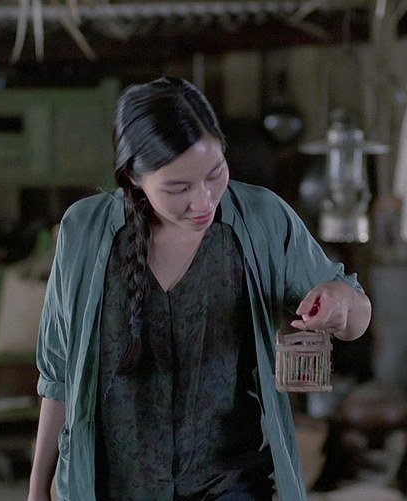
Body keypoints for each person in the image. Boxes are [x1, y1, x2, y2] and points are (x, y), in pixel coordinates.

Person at [27, 76, 371, 501]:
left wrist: (340, 303)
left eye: (215, 174)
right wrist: (38, 488)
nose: (204, 201)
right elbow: (58, 376)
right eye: (179, 188)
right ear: (133, 175)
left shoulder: (261, 219)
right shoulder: (84, 232)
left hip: (230, 486)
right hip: (112, 489)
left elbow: (357, 314)